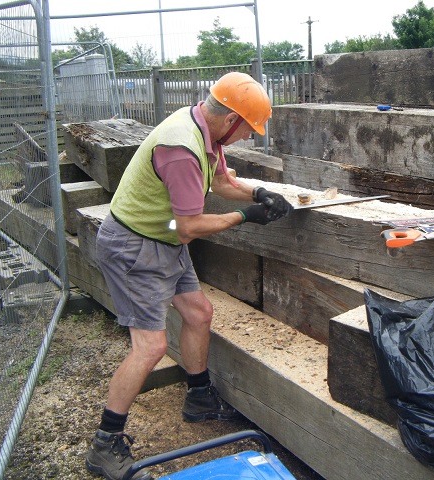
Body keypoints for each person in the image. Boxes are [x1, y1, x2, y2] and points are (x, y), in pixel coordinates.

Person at [85, 71, 292, 480]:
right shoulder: (180, 147)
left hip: (162, 239)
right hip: (135, 246)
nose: (248, 138)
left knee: (198, 313)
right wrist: (245, 216)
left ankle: (199, 398)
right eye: (248, 129)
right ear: (231, 118)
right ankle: (105, 444)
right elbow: (189, 228)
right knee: (150, 347)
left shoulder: (204, 130)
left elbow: (219, 181)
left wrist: (258, 194)